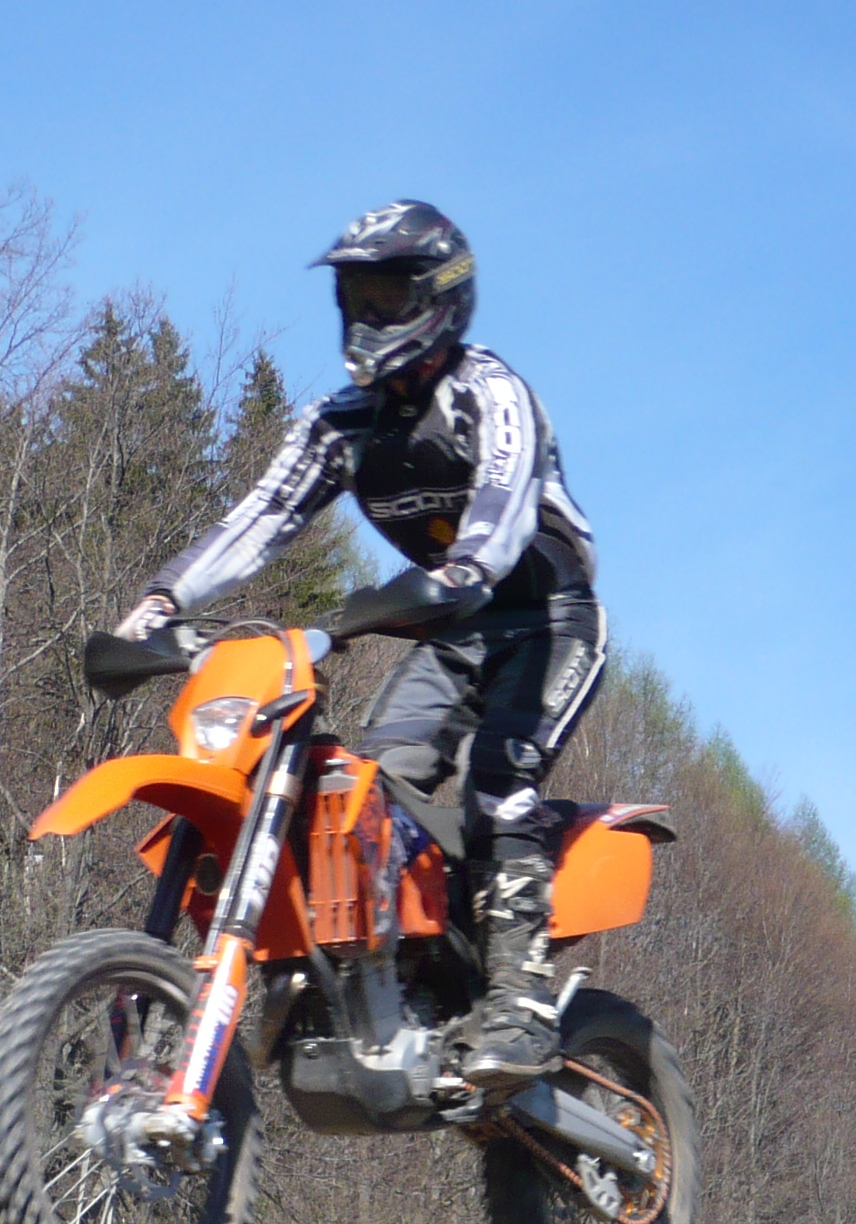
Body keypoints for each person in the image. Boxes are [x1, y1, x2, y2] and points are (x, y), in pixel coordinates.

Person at [116, 200, 605, 1088]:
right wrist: (161, 599)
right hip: (450, 635)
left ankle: (521, 1005)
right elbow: (260, 519)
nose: (369, 318)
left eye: (388, 297)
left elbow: (502, 508)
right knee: (364, 797)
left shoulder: (492, 393)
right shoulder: (338, 424)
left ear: (441, 299)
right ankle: (406, 979)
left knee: (499, 781)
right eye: (357, 299)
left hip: (547, 619)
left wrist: (461, 571)